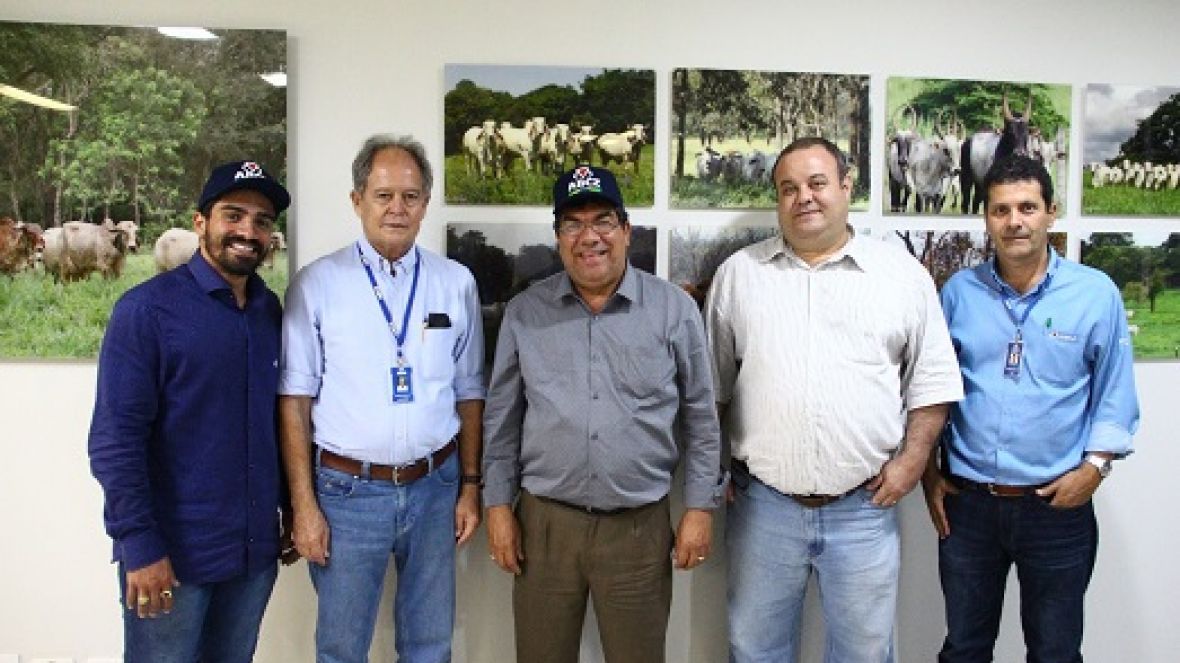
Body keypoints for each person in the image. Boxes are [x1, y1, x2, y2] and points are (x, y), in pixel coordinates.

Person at [705, 137, 964, 663]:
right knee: (754, 650)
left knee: (865, 654)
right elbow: (713, 389)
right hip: (763, 508)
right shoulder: (740, 275)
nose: (804, 197)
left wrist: (912, 463)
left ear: (846, 187)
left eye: (818, 183)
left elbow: (932, 383)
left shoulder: (900, 277)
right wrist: (714, 470)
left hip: (864, 510)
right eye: (789, 188)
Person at [483, 164, 723, 663]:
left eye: (603, 221)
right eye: (573, 223)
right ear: (557, 237)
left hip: (638, 530)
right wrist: (498, 507)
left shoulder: (673, 311)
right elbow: (501, 421)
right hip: (543, 528)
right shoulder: (526, 312)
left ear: (626, 231)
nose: (588, 236)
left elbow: (701, 417)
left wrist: (699, 508)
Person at [923, 154, 1140, 663]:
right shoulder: (958, 294)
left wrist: (1096, 468)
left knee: (1056, 652)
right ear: (986, 218)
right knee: (964, 648)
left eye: (1026, 207)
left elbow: (1114, 393)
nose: (1014, 221)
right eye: (1000, 210)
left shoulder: (1094, 294)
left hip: (1056, 507)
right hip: (969, 505)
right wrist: (928, 473)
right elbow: (930, 390)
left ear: (1050, 213)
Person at [279, 134, 484, 663]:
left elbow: (469, 394)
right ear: (357, 200)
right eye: (383, 194)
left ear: (426, 203)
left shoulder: (455, 283)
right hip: (346, 495)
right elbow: (295, 402)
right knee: (342, 649)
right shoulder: (316, 284)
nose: (398, 208)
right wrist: (304, 506)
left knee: (430, 646)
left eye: (411, 196)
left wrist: (468, 486)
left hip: (435, 490)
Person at [88, 160, 292, 662]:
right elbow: (116, 439)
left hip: (251, 551)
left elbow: (275, 421)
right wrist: (139, 544)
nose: (248, 231)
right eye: (233, 215)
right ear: (201, 222)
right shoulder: (147, 311)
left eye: (262, 221)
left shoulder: (270, 312)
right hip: (172, 555)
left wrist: (287, 507)